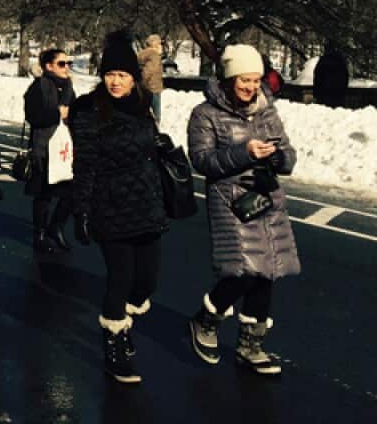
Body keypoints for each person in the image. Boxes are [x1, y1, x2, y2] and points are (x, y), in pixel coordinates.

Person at [186, 44, 298, 376]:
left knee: (268, 272)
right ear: (228, 78)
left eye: (255, 80)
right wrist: (245, 152)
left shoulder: (268, 111)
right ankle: (206, 320)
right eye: (244, 81)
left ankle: (252, 345)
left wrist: (277, 157)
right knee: (242, 270)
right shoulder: (205, 114)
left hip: (267, 198)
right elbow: (203, 161)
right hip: (231, 201)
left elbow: (289, 155)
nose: (251, 87)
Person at [69, 31, 167, 385]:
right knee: (120, 278)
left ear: (132, 78)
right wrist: (80, 211)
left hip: (146, 206)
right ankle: (114, 343)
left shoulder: (142, 107)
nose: (115, 81)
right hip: (109, 207)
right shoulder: (90, 112)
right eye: (110, 74)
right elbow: (84, 166)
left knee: (147, 282)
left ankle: (122, 320)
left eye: (123, 75)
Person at [24, 48, 77, 254]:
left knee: (72, 191)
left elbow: (76, 111)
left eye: (68, 63)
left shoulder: (69, 87)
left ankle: (57, 227)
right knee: (44, 193)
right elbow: (34, 117)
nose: (67, 67)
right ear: (49, 66)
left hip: (65, 146)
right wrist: (57, 114)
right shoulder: (38, 87)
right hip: (44, 147)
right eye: (62, 64)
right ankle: (40, 234)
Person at [312, 41, 349, 108]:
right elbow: (345, 76)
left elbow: (317, 77)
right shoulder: (339, 60)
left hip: (325, 95)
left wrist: (316, 93)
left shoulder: (323, 60)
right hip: (337, 95)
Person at [138, 34, 165, 120]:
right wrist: (144, 84)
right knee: (156, 116)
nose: (161, 46)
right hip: (153, 88)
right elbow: (148, 71)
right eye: (160, 44)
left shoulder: (143, 53)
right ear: (155, 45)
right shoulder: (154, 55)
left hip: (145, 88)